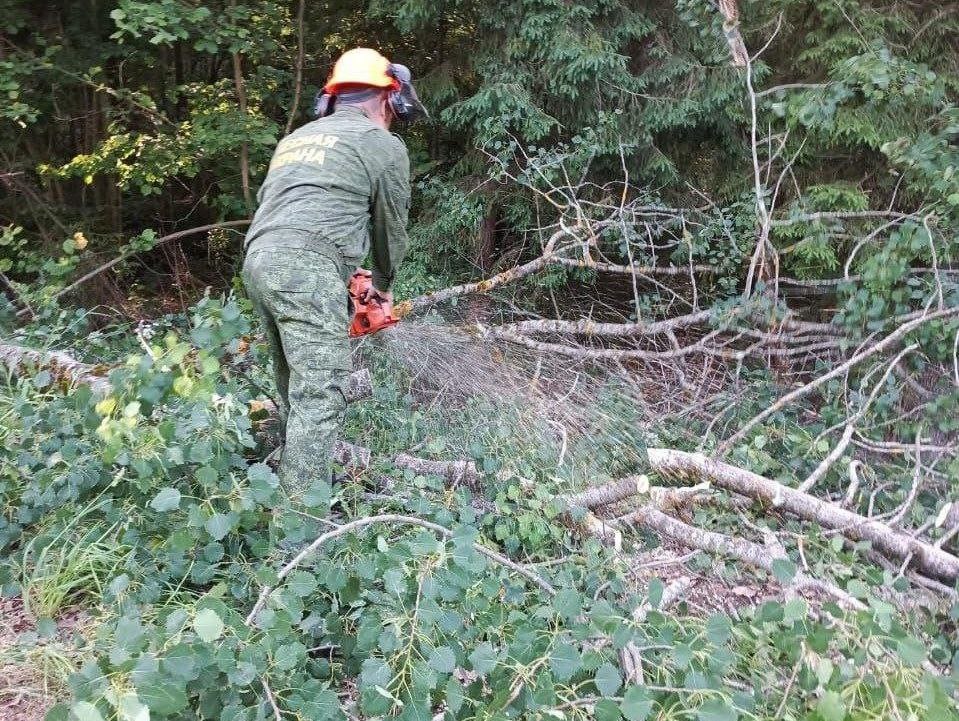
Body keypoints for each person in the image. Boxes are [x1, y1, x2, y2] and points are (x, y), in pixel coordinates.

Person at [242, 48, 427, 494]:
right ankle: (297, 536)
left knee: (295, 389)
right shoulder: (383, 144)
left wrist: (338, 272)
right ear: (389, 99)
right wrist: (381, 287)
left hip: (258, 260)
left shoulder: (297, 139)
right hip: (304, 268)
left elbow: (288, 209)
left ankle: (279, 478)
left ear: (331, 99)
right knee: (320, 396)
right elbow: (390, 225)